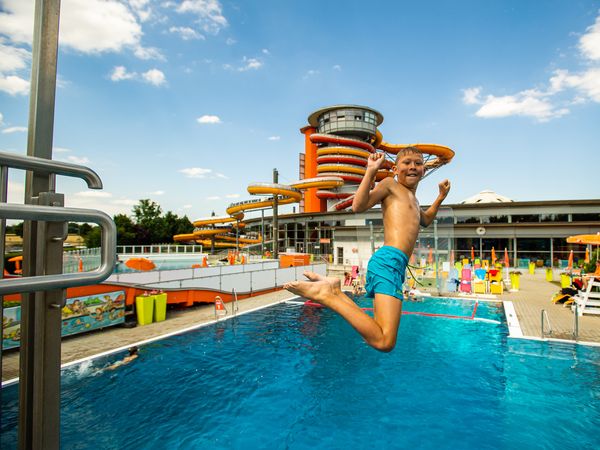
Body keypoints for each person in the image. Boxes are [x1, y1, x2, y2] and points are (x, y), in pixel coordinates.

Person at [285, 148, 450, 352]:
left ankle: (335, 290)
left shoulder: (414, 201)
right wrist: (371, 171)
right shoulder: (390, 185)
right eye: (407, 162)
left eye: (418, 163)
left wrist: (440, 197)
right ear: (395, 168)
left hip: (395, 265)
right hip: (388, 261)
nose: (413, 167)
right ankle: (327, 295)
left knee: (383, 335)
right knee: (384, 342)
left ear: (424, 170)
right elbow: (358, 206)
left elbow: (425, 220)